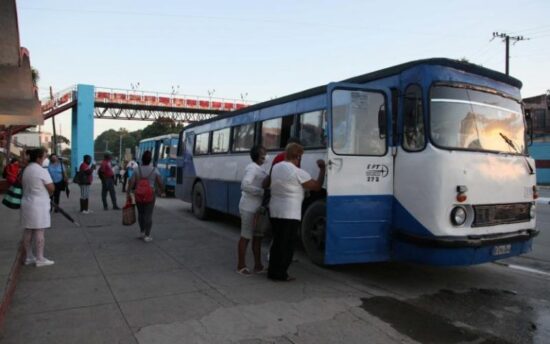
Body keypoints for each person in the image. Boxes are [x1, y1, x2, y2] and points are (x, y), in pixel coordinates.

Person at [267, 143, 325, 282]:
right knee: (287, 244)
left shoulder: (276, 167)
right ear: (298, 156)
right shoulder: (297, 172)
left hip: (274, 210)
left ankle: (272, 271)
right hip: (289, 213)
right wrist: (322, 169)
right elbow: (317, 186)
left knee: (277, 242)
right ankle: (281, 274)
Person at [20, 148, 55, 267]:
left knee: (28, 230)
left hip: (27, 203)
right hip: (39, 205)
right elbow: (51, 188)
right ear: (39, 158)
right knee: (39, 230)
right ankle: (40, 258)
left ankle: (29, 257)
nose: (46, 159)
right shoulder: (41, 171)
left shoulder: (26, 169)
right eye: (44, 157)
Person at [237, 145, 268, 275]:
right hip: (248, 207)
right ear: (257, 156)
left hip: (257, 209)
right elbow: (244, 185)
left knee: (258, 238)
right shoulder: (252, 168)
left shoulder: (259, 169)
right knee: (246, 236)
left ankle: (258, 265)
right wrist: (261, 192)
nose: (265, 156)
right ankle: (241, 266)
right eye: (263, 154)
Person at [127, 150, 164, 242]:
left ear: (142, 160)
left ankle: (142, 232)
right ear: (150, 160)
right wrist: (162, 190)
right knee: (148, 214)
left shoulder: (136, 169)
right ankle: (147, 235)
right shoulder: (154, 170)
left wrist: (129, 192)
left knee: (141, 214)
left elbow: (131, 182)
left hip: (138, 194)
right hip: (150, 194)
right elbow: (160, 182)